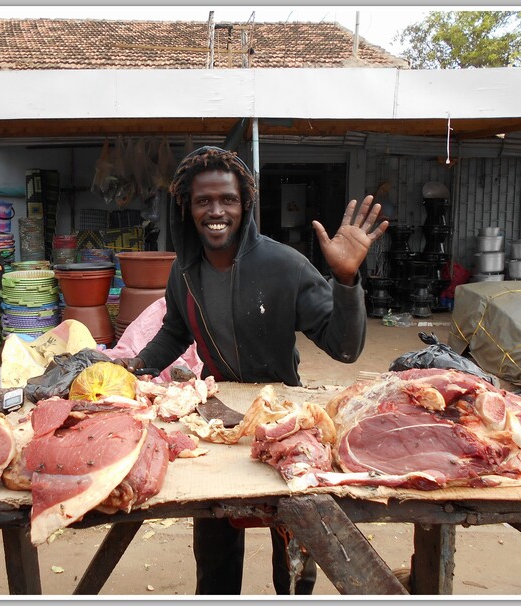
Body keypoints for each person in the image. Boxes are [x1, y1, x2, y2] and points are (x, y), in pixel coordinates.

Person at [114, 146, 388, 595]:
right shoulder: (184, 270)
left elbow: (344, 347)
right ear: (188, 207)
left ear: (246, 205)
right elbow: (174, 331)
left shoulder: (284, 266)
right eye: (204, 201)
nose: (216, 211)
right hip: (217, 420)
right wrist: (134, 367)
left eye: (227, 199)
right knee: (216, 550)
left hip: (283, 420)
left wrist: (345, 281)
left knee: (295, 552)